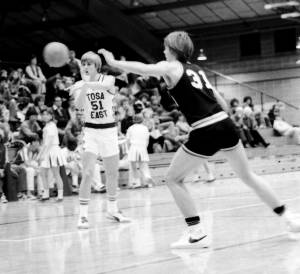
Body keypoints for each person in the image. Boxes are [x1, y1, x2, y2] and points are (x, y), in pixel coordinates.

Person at [99, 31, 300, 249]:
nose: (163, 50)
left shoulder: (171, 66)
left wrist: (112, 61)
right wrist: (222, 123)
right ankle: (289, 217)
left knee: (173, 179)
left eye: (166, 47)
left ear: (173, 49)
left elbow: (144, 69)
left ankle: (196, 232)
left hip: (206, 128)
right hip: (225, 124)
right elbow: (220, 100)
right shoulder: (197, 70)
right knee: (247, 175)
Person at [70, 51, 131, 229]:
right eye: (83, 64)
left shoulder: (108, 80)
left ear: (96, 66)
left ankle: (112, 210)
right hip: (91, 132)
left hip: (109, 131)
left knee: (112, 173)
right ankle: (82, 216)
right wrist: (84, 85)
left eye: (88, 64)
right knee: (88, 173)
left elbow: (102, 88)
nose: (85, 67)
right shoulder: (79, 85)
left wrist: (87, 84)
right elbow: (79, 106)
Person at [37, 108, 65, 202]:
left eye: (46, 114)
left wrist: (41, 154)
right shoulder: (47, 125)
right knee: (43, 172)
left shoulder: (52, 126)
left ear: (51, 115)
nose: (44, 116)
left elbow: (48, 143)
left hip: (53, 150)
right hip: (47, 150)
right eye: (43, 114)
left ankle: (60, 196)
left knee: (56, 174)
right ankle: (46, 194)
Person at [126, 114, 154, 188]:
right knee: (144, 167)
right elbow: (147, 140)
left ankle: (136, 183)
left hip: (133, 148)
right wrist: (144, 148)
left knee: (133, 167)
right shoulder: (145, 128)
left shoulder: (130, 128)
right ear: (142, 120)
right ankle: (148, 182)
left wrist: (129, 150)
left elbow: (128, 141)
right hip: (143, 148)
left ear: (133, 120)